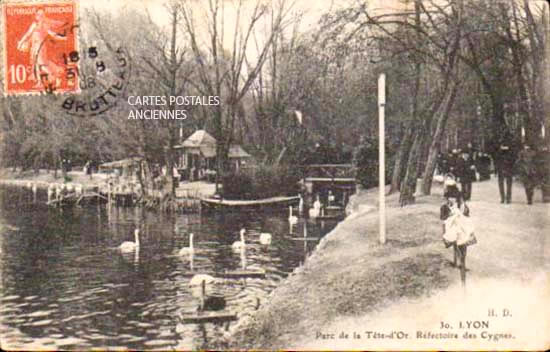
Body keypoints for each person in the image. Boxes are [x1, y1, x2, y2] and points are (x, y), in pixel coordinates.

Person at [17, 8, 67, 88]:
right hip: (34, 47)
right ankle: (39, 82)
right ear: (36, 16)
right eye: (39, 15)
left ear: (44, 16)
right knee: (37, 65)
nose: (41, 16)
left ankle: (56, 77)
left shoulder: (45, 25)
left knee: (42, 64)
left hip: (41, 48)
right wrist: (21, 42)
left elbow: (52, 34)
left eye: (42, 15)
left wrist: (62, 38)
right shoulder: (34, 25)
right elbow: (27, 35)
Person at [440, 192, 476, 286]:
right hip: (452, 230)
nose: (452, 199)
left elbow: (467, 218)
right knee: (455, 244)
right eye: (450, 197)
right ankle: (458, 262)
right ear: (447, 198)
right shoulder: (445, 207)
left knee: (462, 250)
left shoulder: (462, 206)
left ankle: (462, 268)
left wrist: (461, 211)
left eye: (454, 197)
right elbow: (443, 220)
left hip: (462, 231)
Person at [493, 132, 518, 204]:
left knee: (504, 183)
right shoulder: (508, 151)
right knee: (507, 183)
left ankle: (504, 198)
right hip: (505, 168)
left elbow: (496, 160)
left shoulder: (501, 150)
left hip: (505, 168)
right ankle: (506, 198)